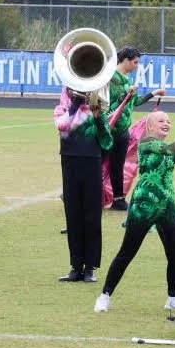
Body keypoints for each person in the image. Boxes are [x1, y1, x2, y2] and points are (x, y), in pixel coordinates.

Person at [95, 112, 175, 313]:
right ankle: (105, 295)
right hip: (144, 206)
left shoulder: (169, 151)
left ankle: (173, 298)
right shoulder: (146, 144)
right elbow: (171, 149)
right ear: (150, 127)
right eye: (161, 121)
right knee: (127, 253)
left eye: (169, 121)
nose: (166, 123)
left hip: (167, 207)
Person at [56, 85, 112, 284]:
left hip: (91, 162)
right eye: (72, 89)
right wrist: (74, 107)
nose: (75, 92)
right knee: (73, 215)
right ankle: (75, 267)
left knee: (91, 215)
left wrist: (98, 118)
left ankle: (90, 267)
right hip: (70, 162)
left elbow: (107, 142)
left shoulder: (97, 112)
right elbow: (62, 127)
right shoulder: (62, 110)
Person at [106, 48, 164, 210]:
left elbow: (134, 102)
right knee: (99, 164)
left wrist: (153, 93)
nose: (137, 66)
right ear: (125, 60)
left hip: (122, 130)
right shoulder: (112, 78)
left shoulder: (127, 79)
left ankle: (118, 199)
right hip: (108, 129)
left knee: (118, 166)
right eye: (135, 62)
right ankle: (80, 194)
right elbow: (111, 105)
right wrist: (127, 95)